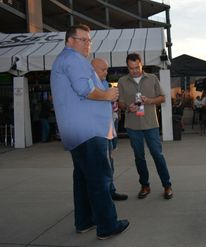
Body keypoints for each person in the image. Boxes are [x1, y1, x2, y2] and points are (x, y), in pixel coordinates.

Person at [50, 24, 129, 240]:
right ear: (70, 40)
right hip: (89, 132)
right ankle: (107, 226)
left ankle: (85, 221)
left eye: (89, 40)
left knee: (83, 180)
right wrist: (108, 94)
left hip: (79, 133)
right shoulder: (74, 60)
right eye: (82, 39)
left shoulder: (65, 60)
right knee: (100, 181)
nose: (87, 44)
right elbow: (84, 90)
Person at [117, 53, 173, 200]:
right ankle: (145, 185)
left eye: (137, 67)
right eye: (131, 68)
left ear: (142, 64)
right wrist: (128, 107)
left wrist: (149, 100)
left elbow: (162, 98)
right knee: (139, 157)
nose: (134, 71)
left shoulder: (152, 78)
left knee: (157, 155)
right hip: (132, 125)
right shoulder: (122, 81)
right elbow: (120, 103)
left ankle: (167, 185)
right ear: (127, 67)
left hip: (151, 124)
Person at [91, 57, 128, 201]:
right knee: (103, 165)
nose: (106, 72)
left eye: (107, 69)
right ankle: (105, 194)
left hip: (109, 128)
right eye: (103, 69)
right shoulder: (90, 85)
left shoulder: (104, 83)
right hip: (97, 131)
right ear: (93, 69)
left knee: (110, 162)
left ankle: (111, 190)